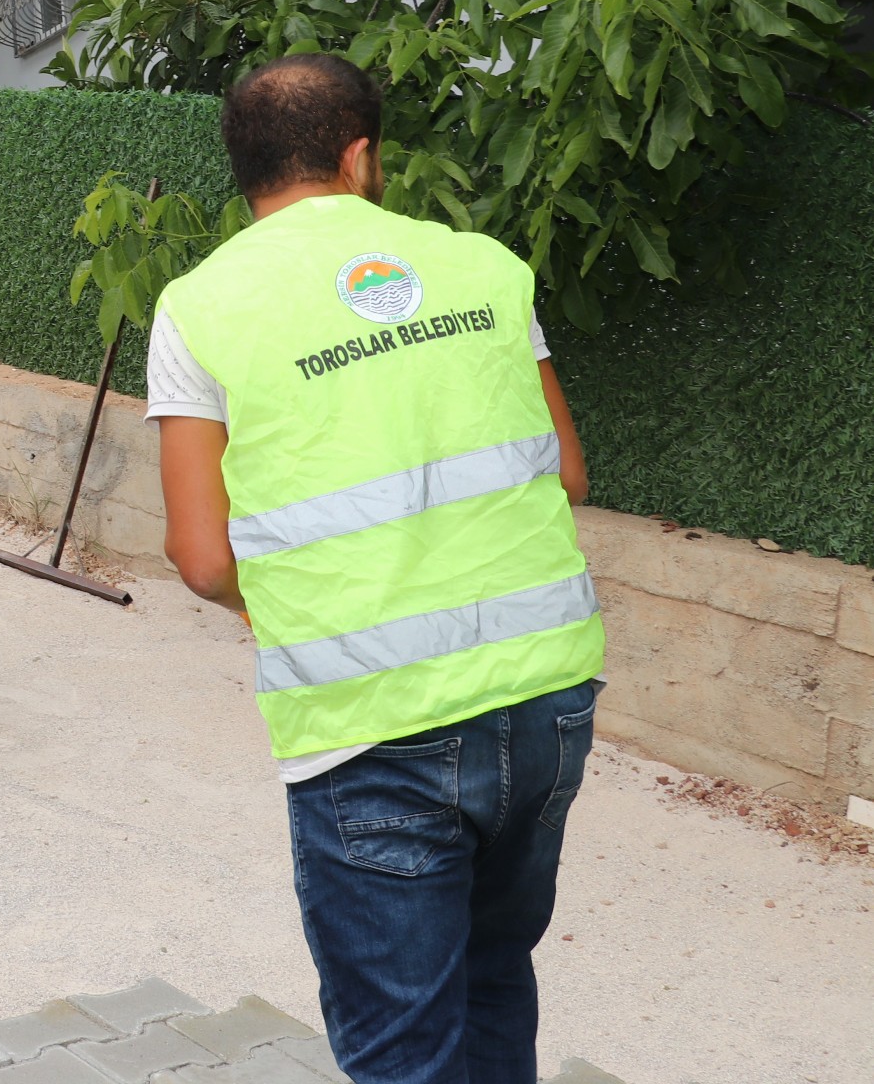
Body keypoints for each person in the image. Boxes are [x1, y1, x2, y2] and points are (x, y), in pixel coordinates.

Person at [146, 54, 605, 1084]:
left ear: (243, 169)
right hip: (544, 696)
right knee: (494, 974)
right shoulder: (483, 267)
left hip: (369, 723)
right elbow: (567, 473)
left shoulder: (200, 305)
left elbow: (201, 557)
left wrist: (290, 612)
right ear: (359, 158)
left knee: (403, 1048)